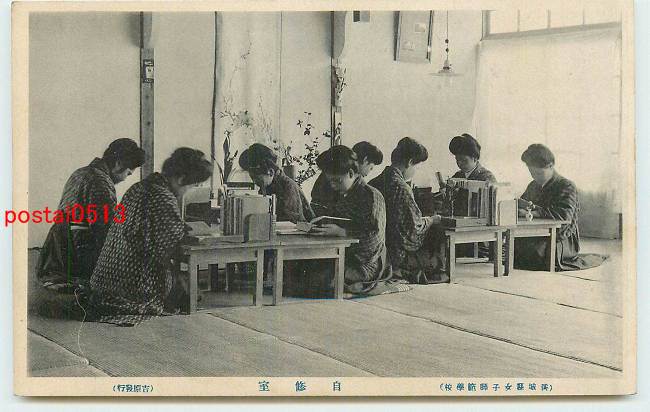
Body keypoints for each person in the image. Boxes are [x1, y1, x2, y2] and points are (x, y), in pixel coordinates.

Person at [89, 148, 213, 326]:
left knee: (182, 283)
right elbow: (173, 243)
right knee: (184, 289)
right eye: (192, 185)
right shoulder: (162, 196)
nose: (189, 190)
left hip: (106, 274)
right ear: (181, 179)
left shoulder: (139, 187)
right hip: (132, 280)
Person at [36, 138, 145, 291]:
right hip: (74, 254)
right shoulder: (100, 182)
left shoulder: (81, 173)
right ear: (118, 163)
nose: (125, 179)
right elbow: (105, 229)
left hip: (56, 249)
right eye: (128, 173)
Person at [309, 145, 389, 294]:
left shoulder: (371, 196)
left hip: (365, 263)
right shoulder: (340, 192)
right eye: (330, 181)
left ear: (351, 173)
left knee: (318, 280)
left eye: (336, 181)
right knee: (298, 271)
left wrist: (343, 232)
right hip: (338, 253)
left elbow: (374, 238)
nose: (333, 186)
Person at [515, 144, 607, 271]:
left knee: (535, 255)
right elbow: (522, 204)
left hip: (561, 237)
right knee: (514, 249)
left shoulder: (566, 186)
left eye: (539, 173)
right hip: (537, 233)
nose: (535, 177)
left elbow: (564, 216)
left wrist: (533, 212)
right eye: (532, 173)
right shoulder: (533, 185)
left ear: (551, 166)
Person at [369, 137, 446, 284]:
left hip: (378, 248)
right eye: (416, 167)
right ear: (410, 162)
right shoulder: (401, 187)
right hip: (396, 254)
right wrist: (432, 220)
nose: (415, 171)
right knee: (438, 231)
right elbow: (413, 231)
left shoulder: (374, 182)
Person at [239, 143, 314, 223]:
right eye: (252, 178)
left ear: (271, 172)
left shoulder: (288, 186)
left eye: (256, 178)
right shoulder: (267, 186)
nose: (254, 181)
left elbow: (293, 222)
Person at [448, 133, 496, 258]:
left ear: (475, 159)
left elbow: (490, 209)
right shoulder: (457, 175)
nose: (460, 163)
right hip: (460, 227)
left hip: (479, 233)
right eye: (457, 160)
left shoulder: (487, 177)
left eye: (464, 160)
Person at [311, 141, 383, 215]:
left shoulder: (370, 194)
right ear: (365, 160)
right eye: (370, 168)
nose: (367, 173)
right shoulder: (332, 175)